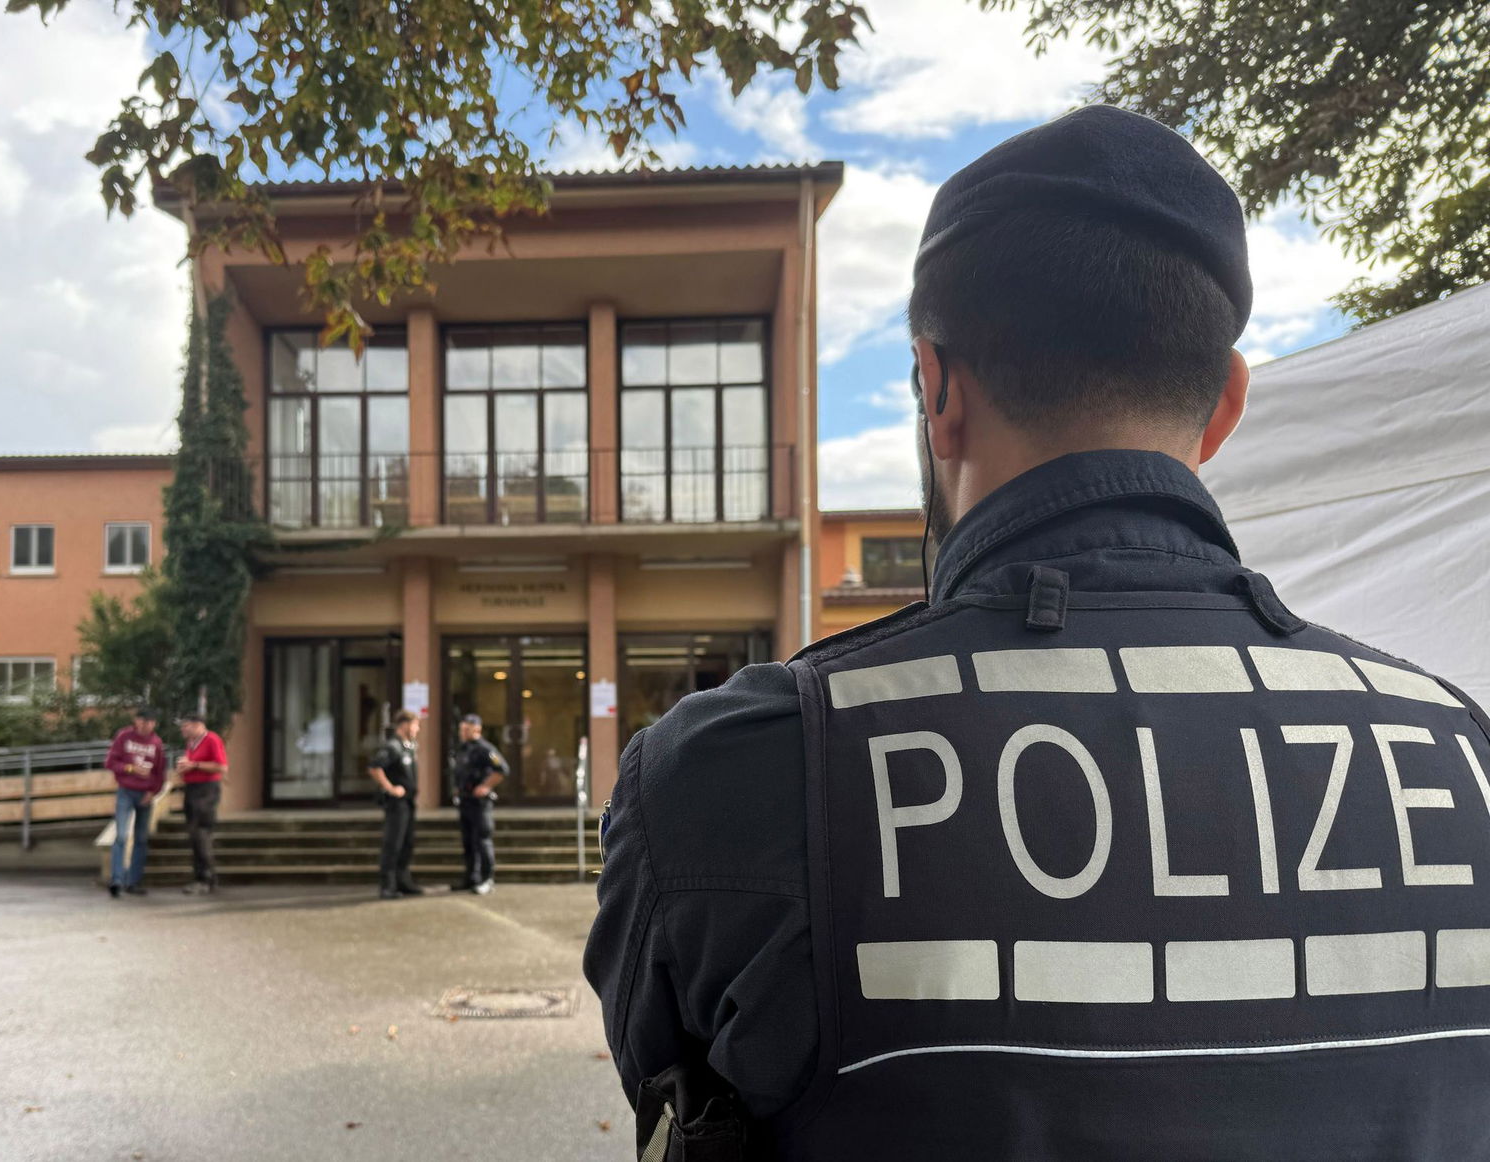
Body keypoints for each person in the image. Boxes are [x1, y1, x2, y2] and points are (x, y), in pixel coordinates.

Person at [585, 105, 1490, 1159]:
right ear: (1225, 406)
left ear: (936, 388)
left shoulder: (737, 772)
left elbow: (671, 1097)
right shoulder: (1461, 752)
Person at [104, 706, 165, 899]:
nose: (146, 725)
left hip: (145, 794)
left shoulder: (156, 743)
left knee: (141, 838)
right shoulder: (124, 737)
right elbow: (110, 762)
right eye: (143, 721)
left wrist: (153, 792)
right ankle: (117, 880)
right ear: (136, 721)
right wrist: (131, 768)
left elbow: (159, 772)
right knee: (122, 835)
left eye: (150, 722)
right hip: (126, 791)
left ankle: (134, 881)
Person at [369, 710, 422, 900]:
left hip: (408, 802)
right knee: (393, 844)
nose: (417, 729)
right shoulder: (393, 746)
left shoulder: (409, 746)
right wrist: (390, 788)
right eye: (415, 725)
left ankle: (403, 881)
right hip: (396, 804)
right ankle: (388, 886)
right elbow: (375, 767)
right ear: (405, 725)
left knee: (407, 843)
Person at [451, 713, 506, 895]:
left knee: (483, 841)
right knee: (468, 842)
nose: (463, 733)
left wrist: (485, 786)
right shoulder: (463, 748)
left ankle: (487, 879)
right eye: (462, 729)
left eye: (467, 729)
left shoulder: (485, 749)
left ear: (477, 729)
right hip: (465, 801)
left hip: (480, 804)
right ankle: (471, 878)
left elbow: (502, 769)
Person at [174, 711, 227, 895]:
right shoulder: (191, 743)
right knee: (193, 834)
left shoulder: (212, 739)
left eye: (186, 726)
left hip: (206, 790)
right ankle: (201, 877)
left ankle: (206, 878)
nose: (182, 730)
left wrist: (194, 765)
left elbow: (222, 766)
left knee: (200, 833)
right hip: (192, 788)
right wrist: (184, 768)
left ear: (197, 725)